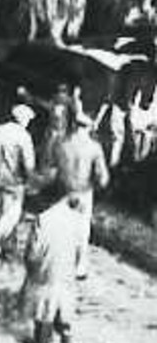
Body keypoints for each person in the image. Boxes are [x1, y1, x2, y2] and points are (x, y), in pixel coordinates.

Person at [19, 193, 85, 343]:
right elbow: (80, 249)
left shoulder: (43, 219)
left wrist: (29, 265)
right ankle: (66, 338)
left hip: (46, 269)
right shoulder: (77, 220)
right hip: (66, 270)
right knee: (63, 303)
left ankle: (43, 340)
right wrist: (75, 268)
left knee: (43, 303)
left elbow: (34, 250)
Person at [51, 112, 110, 280]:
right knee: (82, 231)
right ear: (89, 127)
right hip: (84, 192)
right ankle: (79, 267)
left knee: (62, 227)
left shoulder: (61, 144)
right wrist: (96, 186)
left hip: (63, 191)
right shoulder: (94, 147)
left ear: (74, 126)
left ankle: (58, 264)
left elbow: (52, 168)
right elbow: (103, 178)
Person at [0, 103, 36, 257]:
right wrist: (32, 182)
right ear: (23, 120)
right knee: (10, 214)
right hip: (14, 181)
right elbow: (29, 164)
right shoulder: (24, 137)